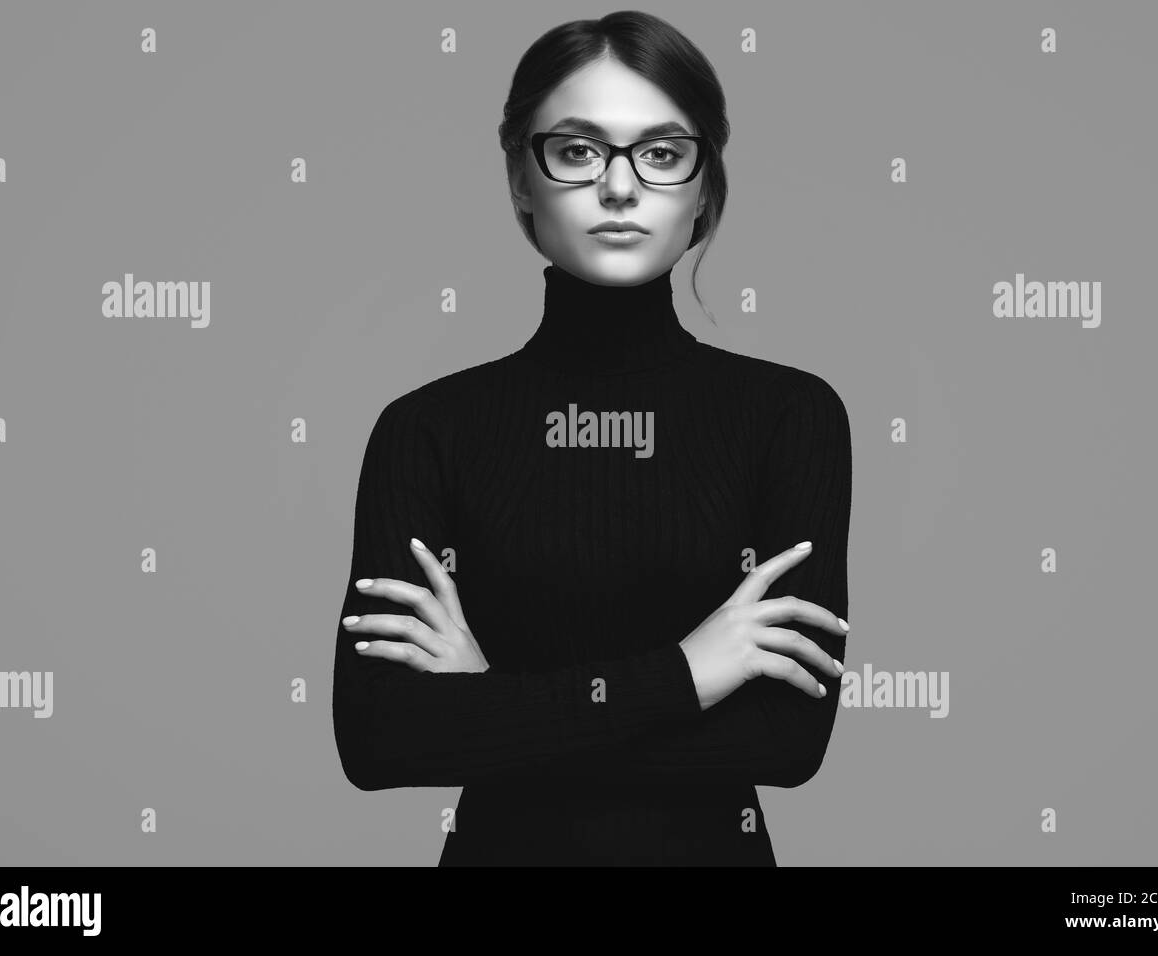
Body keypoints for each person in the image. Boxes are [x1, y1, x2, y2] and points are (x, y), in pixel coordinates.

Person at [332, 10, 852, 866]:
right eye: (577, 151)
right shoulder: (424, 430)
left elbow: (787, 743)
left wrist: (490, 705)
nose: (619, 188)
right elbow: (380, 739)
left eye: (660, 152)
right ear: (519, 181)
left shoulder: (790, 416)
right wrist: (689, 673)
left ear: (704, 187)